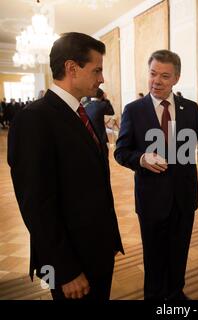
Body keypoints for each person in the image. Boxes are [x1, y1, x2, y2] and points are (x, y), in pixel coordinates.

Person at [114, 49, 198, 300]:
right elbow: (121, 152)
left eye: (165, 76)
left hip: (184, 197)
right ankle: (154, 297)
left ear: (176, 78)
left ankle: (176, 293)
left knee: (179, 253)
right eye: (153, 73)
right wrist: (142, 159)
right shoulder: (133, 110)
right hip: (151, 199)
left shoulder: (189, 108)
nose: (156, 81)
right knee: (154, 257)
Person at [7, 32, 123, 300]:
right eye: (97, 70)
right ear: (72, 68)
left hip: (95, 250)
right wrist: (64, 270)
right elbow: (36, 204)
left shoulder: (79, 113)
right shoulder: (34, 119)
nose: (102, 78)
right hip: (70, 263)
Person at [85, 88, 115, 156]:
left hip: (89, 137)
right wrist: (106, 99)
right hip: (101, 137)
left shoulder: (86, 105)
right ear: (102, 96)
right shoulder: (102, 104)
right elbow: (112, 112)